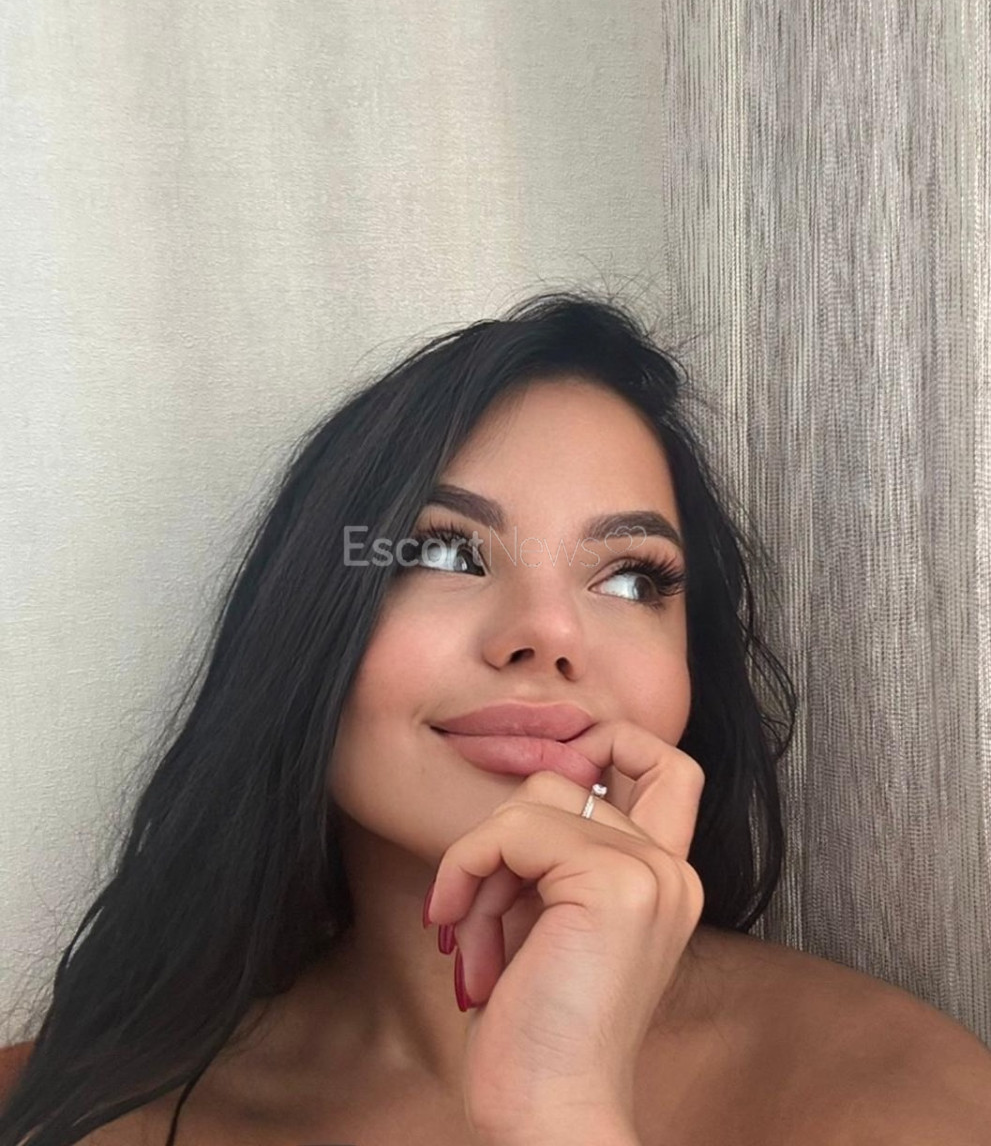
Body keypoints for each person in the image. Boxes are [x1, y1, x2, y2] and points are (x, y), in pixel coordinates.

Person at [1, 290, 990, 1146]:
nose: (548, 635)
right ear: (305, 620)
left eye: (631, 577)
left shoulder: (891, 1092)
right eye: (441, 552)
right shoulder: (94, 1114)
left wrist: (560, 1104)